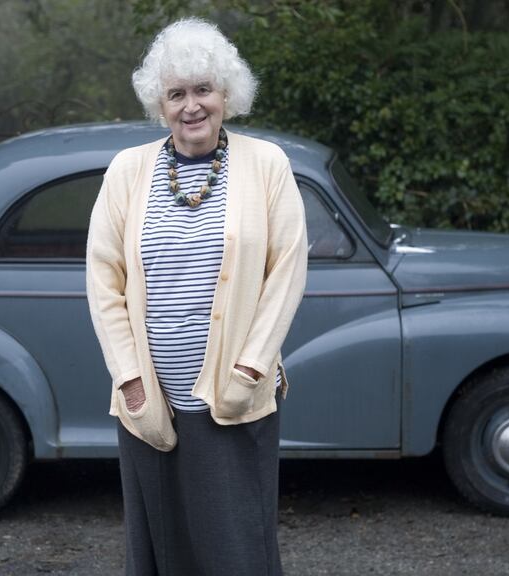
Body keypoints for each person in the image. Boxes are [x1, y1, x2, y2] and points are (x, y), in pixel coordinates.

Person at [85, 17, 307, 576]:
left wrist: (251, 371)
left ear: (226, 94)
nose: (192, 107)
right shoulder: (127, 171)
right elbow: (103, 281)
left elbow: (287, 272)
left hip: (234, 400)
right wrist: (132, 382)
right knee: (161, 550)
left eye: (203, 90)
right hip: (150, 407)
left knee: (240, 550)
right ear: (159, 105)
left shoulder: (267, 166)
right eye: (176, 94)